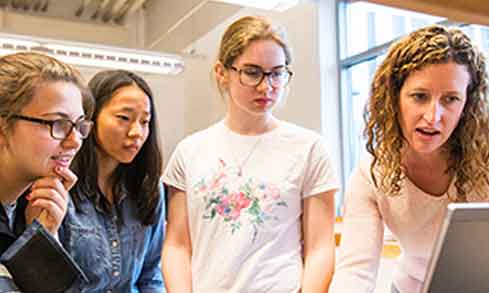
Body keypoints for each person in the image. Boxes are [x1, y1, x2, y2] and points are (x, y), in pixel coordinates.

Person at [163, 15, 340, 292]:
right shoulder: (189, 151)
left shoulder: (309, 148)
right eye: (252, 72)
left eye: (277, 73)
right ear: (222, 73)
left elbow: (320, 247)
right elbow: (177, 245)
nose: (266, 86)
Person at [329, 25, 489, 293]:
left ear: (467, 105)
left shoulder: (484, 160)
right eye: (419, 96)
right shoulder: (372, 174)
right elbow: (355, 271)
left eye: (450, 99)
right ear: (394, 98)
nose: (432, 116)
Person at [60, 69, 165, 292]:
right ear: (91, 117)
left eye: (145, 121)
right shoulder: (61, 185)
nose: (137, 132)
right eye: (124, 118)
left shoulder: (148, 188)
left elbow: (150, 275)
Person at [0, 52, 94, 292]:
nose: (75, 142)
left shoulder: (42, 206)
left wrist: (44, 237)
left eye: (79, 126)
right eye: (58, 124)